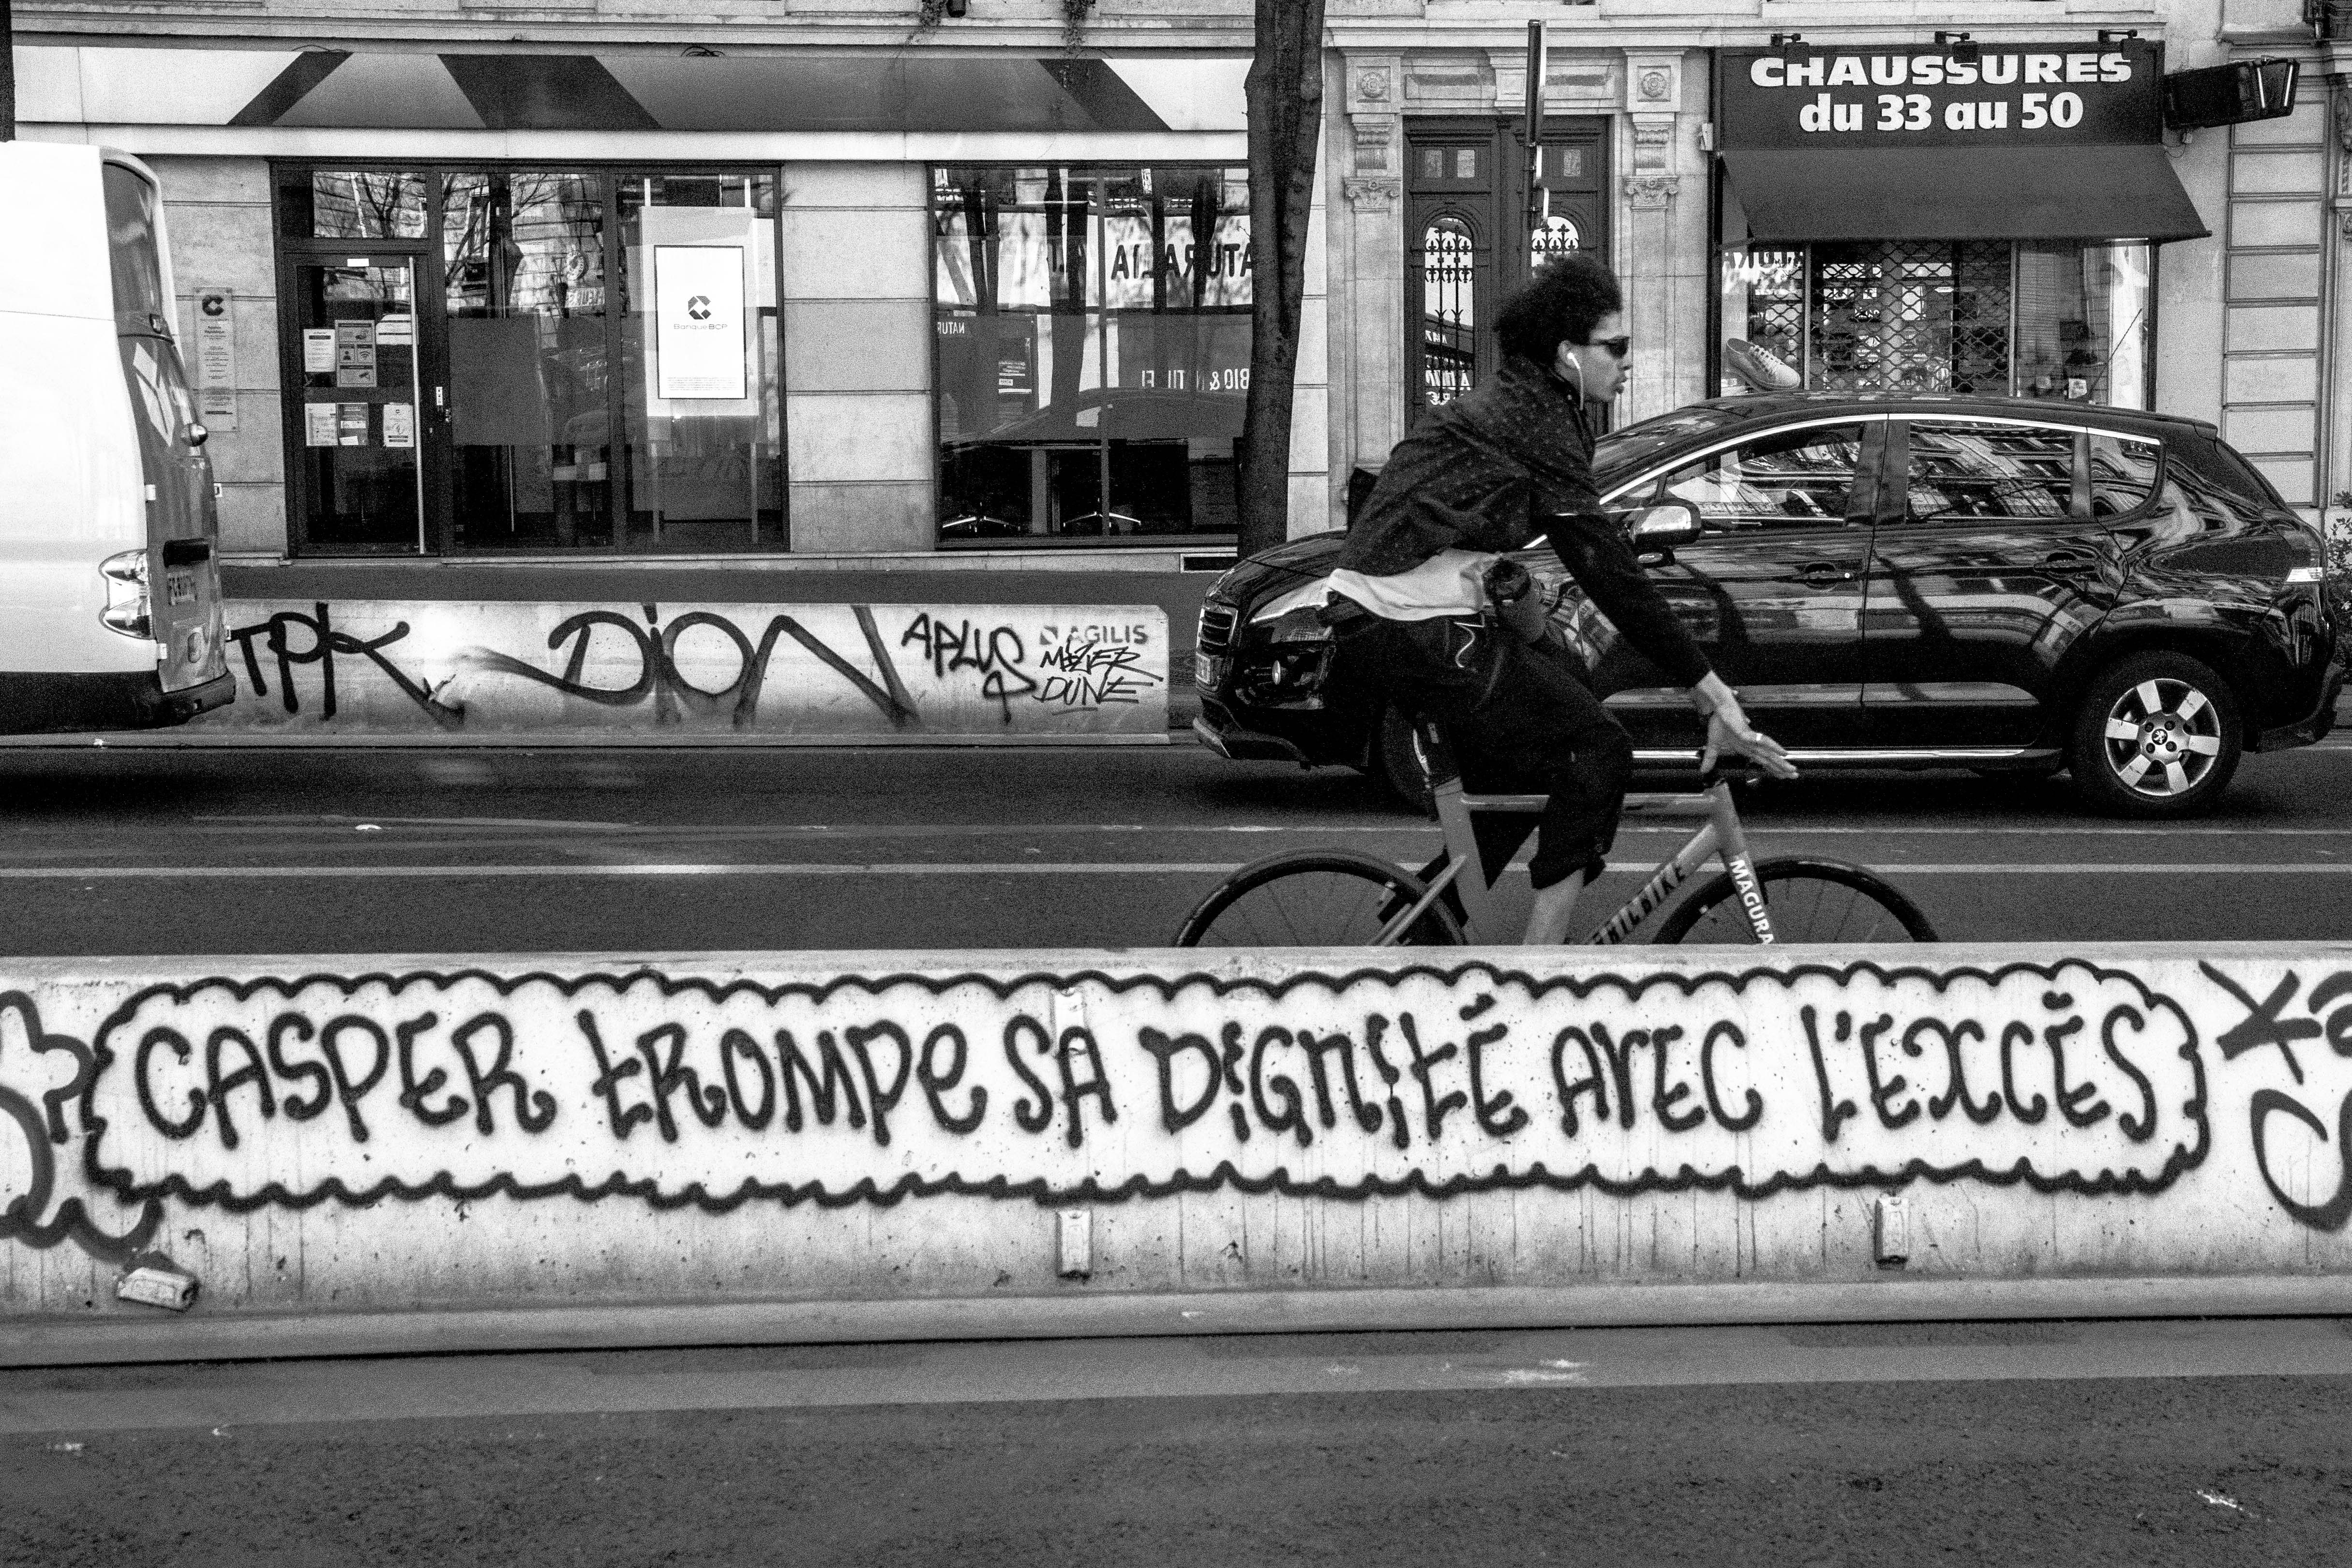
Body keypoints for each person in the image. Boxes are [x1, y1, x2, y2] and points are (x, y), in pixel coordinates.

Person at [1322, 253, 1797, 944]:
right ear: (1566, 352)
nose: (1627, 362)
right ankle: (1545, 969)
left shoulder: (1537, 405)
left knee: (1539, 752)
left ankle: (1421, 930)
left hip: (1402, 613)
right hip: (1398, 621)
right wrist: (1708, 687)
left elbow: (1591, 553)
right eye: (1616, 347)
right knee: (1597, 748)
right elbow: (1602, 564)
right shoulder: (1536, 416)